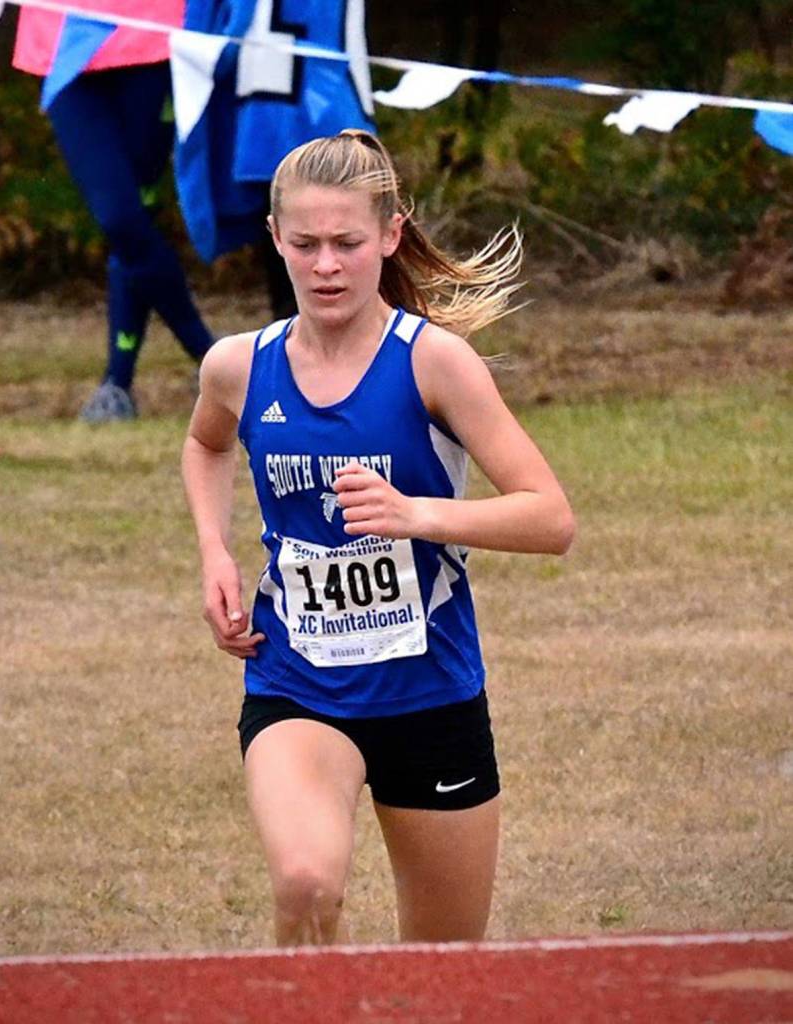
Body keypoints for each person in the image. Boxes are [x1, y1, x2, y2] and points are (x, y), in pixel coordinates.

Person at [181, 130, 575, 946]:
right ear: (275, 239)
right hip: (295, 685)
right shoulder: (238, 366)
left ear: (390, 236)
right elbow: (206, 442)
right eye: (305, 244)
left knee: (440, 967)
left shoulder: (436, 364)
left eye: (348, 243)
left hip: (429, 695)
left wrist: (417, 514)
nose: (326, 265)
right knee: (304, 881)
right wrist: (214, 551)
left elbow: (549, 516)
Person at [12, 1, 296, 422]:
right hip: (64, 38)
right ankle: (212, 360)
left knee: (134, 219)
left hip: (153, 36)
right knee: (121, 219)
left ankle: (117, 383)